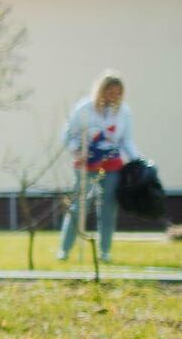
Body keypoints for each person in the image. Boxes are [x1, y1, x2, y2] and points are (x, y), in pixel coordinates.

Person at [57, 71, 140, 263]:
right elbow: (67, 135)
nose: (113, 96)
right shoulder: (84, 109)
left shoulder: (124, 112)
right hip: (86, 165)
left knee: (108, 208)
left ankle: (105, 252)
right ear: (101, 91)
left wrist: (139, 161)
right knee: (79, 207)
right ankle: (65, 249)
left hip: (112, 165)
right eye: (109, 91)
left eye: (118, 92)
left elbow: (127, 142)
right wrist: (77, 151)